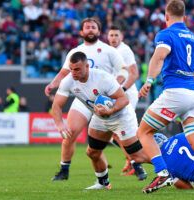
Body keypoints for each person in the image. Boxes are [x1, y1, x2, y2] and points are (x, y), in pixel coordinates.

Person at [137, 0, 194, 195]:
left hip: (175, 94)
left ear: (166, 17)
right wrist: (187, 77)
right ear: (185, 17)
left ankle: (162, 173)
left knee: (144, 132)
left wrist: (149, 81)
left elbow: (159, 56)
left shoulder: (166, 34)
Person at [45, 17, 129, 181]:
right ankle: (64, 169)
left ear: (99, 31)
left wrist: (115, 87)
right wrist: (52, 84)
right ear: (81, 32)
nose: (90, 29)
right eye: (87, 27)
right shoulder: (74, 52)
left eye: (93, 27)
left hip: (105, 100)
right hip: (83, 99)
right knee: (70, 132)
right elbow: (64, 73)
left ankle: (135, 162)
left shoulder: (109, 50)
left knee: (120, 134)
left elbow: (124, 71)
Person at [52, 51, 148, 190]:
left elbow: (124, 99)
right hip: (101, 118)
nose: (73, 72)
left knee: (137, 156)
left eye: (77, 69)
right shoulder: (69, 81)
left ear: (87, 66)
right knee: (93, 152)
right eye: (71, 69)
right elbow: (56, 105)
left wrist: (110, 110)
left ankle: (168, 168)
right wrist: (60, 124)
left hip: (121, 117)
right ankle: (103, 183)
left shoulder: (102, 78)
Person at [107, 25, 145, 178]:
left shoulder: (125, 50)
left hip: (127, 94)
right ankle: (132, 160)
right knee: (115, 134)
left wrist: (121, 91)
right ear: (107, 37)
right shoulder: (107, 51)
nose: (114, 38)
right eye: (111, 35)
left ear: (121, 37)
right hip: (117, 95)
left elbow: (134, 73)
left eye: (116, 35)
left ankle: (136, 161)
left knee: (123, 132)